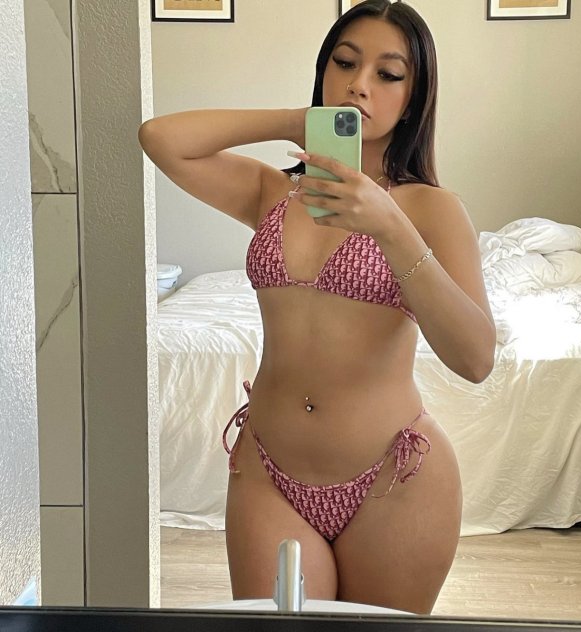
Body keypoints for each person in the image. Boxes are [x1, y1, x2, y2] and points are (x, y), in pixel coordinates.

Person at [139, 0, 495, 615]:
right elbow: (160, 138)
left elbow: (476, 358)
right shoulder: (272, 191)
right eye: (345, 63)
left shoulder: (432, 209)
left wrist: (391, 227)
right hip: (268, 474)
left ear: (414, 97)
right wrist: (296, 122)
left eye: (389, 73)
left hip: (394, 481)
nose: (359, 85)